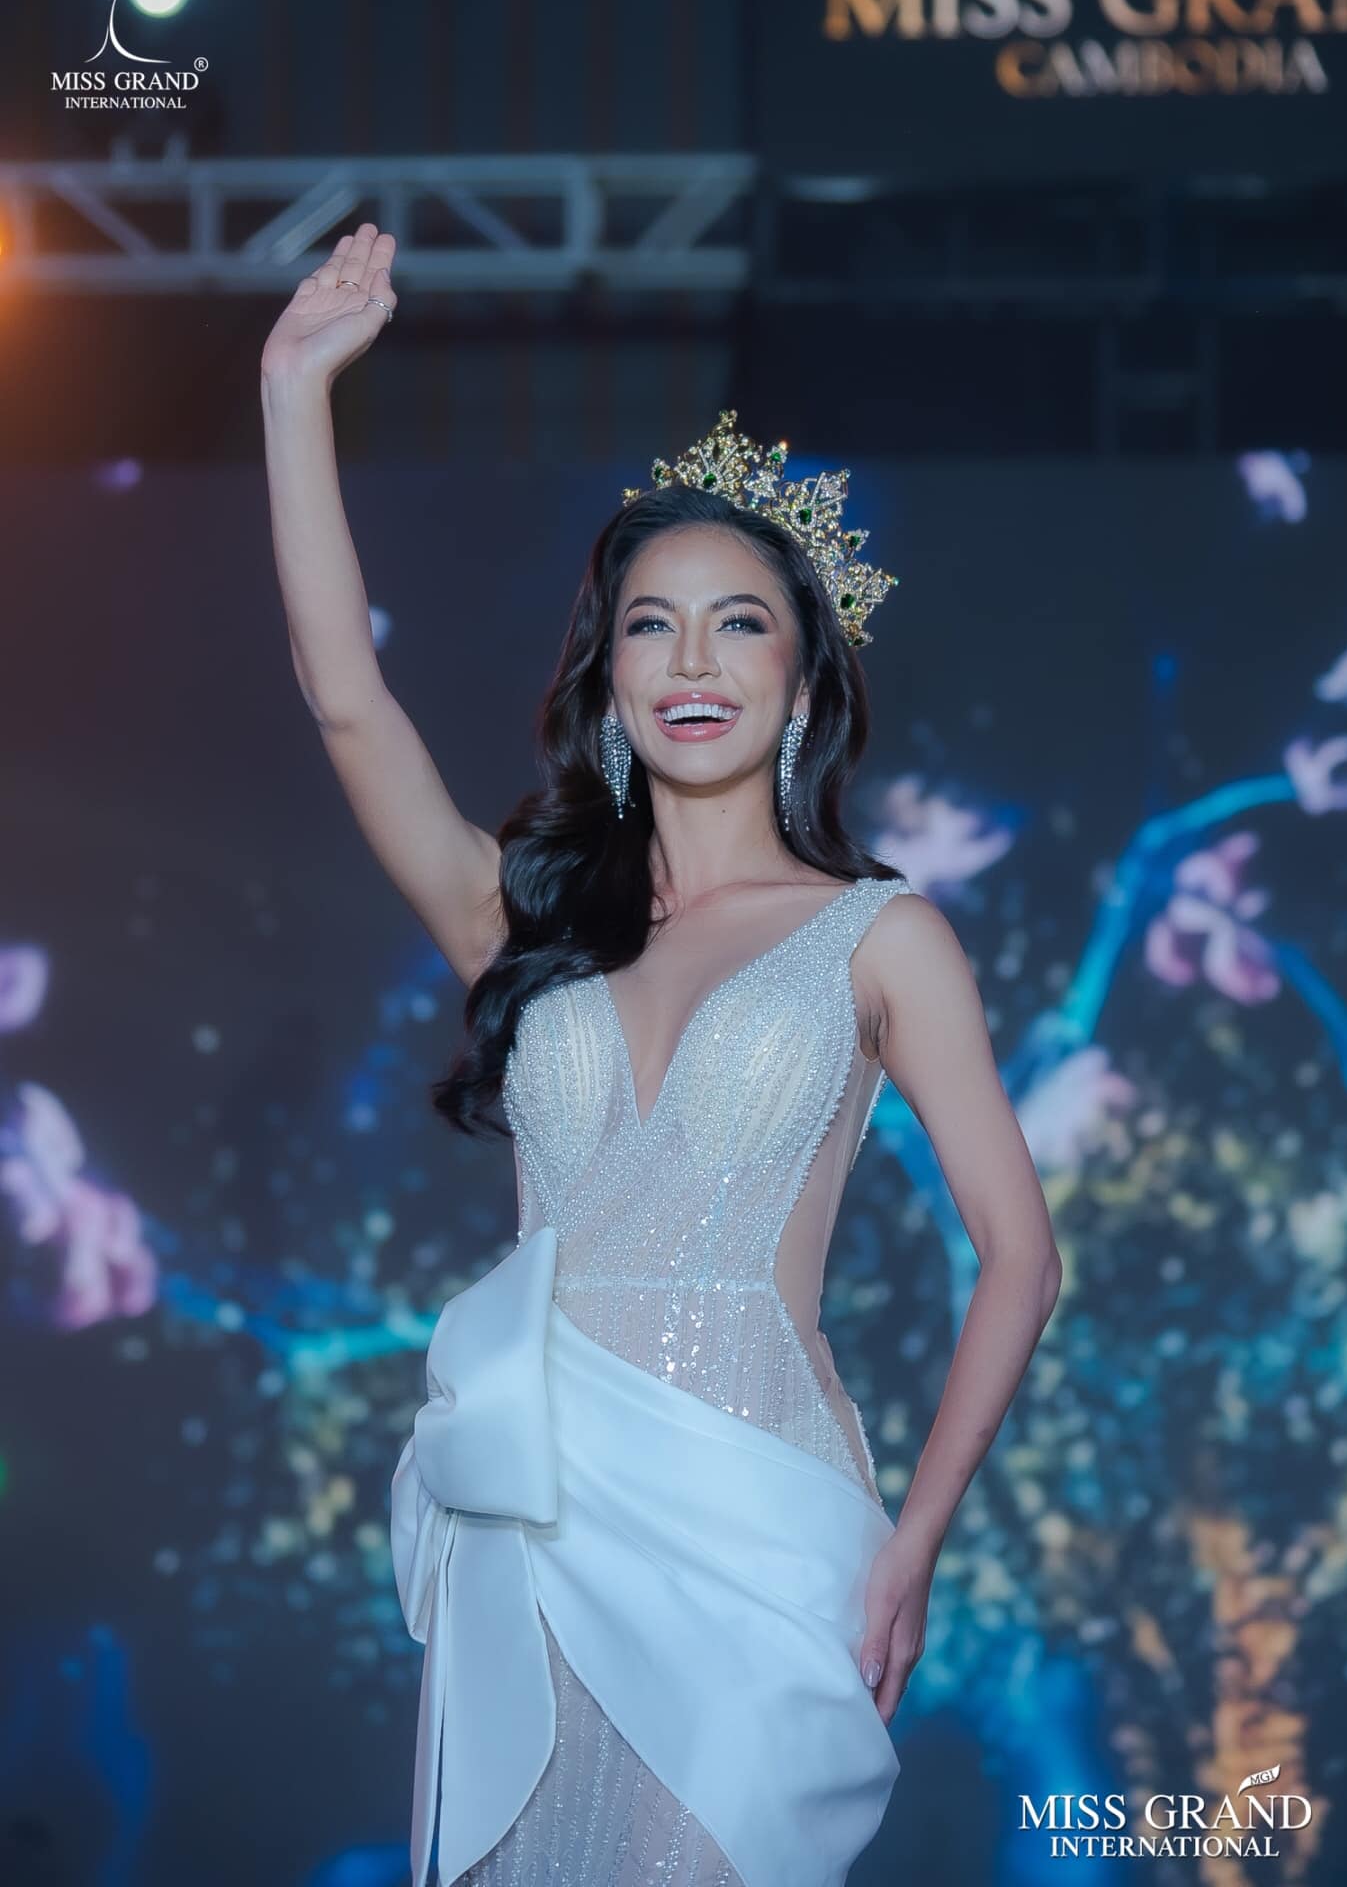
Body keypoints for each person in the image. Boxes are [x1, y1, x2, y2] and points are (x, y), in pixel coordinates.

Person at [260, 225, 1063, 1887]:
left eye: (737, 624)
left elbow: (1020, 1257)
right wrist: (290, 391)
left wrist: (914, 1542)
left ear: (802, 673)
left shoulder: (880, 936)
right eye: (651, 626)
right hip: (535, 1518)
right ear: (609, 676)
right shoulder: (520, 916)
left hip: (759, 1510)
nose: (692, 663)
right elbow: (345, 705)